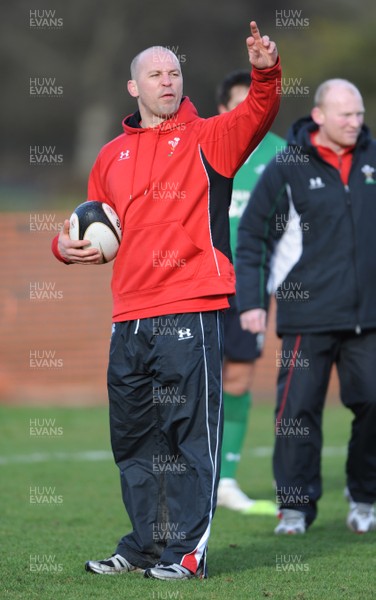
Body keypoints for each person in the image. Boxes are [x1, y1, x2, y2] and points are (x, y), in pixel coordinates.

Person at [52, 22, 281, 579]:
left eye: (174, 72)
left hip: (190, 306)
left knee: (186, 435)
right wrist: (63, 248)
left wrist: (266, 71)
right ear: (134, 87)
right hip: (129, 316)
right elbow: (92, 227)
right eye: (155, 74)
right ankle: (144, 546)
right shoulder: (110, 156)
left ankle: (185, 551)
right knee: (135, 440)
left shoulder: (212, 137)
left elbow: (258, 110)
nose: (167, 81)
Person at [236, 78, 376, 535]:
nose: (356, 123)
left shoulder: (373, 159)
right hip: (306, 317)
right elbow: (253, 233)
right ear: (319, 116)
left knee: (373, 403)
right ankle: (295, 508)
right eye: (345, 116)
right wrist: (252, 301)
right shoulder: (287, 165)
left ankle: (365, 496)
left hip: (368, 317)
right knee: (297, 415)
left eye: (358, 115)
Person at [216, 69, 284, 514]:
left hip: (251, 285)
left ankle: (225, 480)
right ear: (223, 110)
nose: (251, 115)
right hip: (199, 281)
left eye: (258, 105)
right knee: (186, 380)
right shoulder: (207, 145)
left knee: (239, 378)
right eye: (242, 106)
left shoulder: (284, 155)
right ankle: (183, 474)